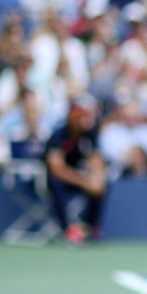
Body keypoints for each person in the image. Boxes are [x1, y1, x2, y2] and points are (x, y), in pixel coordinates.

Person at [43, 95, 108, 242]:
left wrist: (97, 179)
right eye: (79, 116)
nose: (84, 120)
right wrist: (86, 182)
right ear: (71, 117)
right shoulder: (58, 135)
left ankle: (90, 226)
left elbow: (96, 159)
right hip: (61, 179)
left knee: (102, 185)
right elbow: (57, 169)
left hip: (79, 178)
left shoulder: (89, 134)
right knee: (56, 183)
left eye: (85, 116)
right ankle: (67, 228)